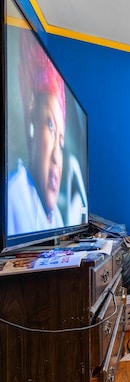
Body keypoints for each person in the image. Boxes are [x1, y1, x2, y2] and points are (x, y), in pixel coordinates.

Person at [7, 30, 66, 235]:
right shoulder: (13, 197)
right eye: (50, 125)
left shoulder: (57, 216)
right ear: (32, 117)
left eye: (61, 142)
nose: (57, 158)